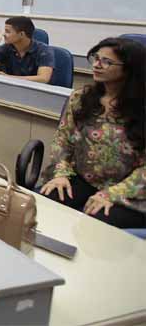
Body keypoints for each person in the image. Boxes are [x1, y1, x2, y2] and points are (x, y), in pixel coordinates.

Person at [39, 38, 145, 229]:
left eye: (107, 61)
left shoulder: (141, 108)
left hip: (130, 191)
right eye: (96, 57)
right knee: (44, 204)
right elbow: (62, 141)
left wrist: (111, 194)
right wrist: (61, 174)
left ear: (129, 68)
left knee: (95, 224)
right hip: (82, 179)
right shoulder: (81, 98)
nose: (97, 64)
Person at [0, 16, 54, 84]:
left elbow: (43, 79)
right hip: (12, 88)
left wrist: (6, 77)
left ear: (22, 34)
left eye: (8, 31)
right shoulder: (6, 47)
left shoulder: (44, 50)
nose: (4, 34)